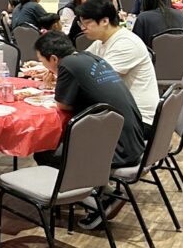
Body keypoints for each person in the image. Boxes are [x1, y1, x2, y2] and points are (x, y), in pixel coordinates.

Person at [32, 31, 146, 227]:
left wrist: (58, 79)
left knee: (45, 151)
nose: (44, 66)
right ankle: (104, 191)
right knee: (65, 143)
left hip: (117, 150)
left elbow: (63, 105)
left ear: (54, 58)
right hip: (133, 140)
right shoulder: (88, 57)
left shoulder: (67, 65)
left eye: (43, 61)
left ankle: (98, 200)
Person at [76, 0, 159, 129]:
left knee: (75, 131)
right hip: (119, 113)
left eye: (87, 23)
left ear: (105, 21)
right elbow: (79, 62)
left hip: (139, 120)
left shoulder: (126, 43)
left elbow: (99, 81)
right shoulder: (101, 42)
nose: (83, 28)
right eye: (81, 23)